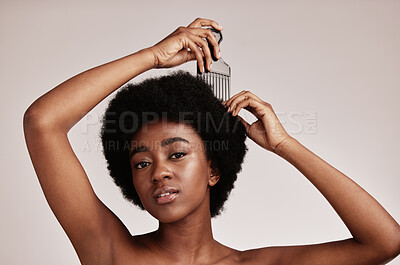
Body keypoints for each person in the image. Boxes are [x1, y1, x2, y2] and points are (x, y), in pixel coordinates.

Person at [23, 18, 400, 265]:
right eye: (141, 162)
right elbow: (43, 123)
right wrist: (152, 57)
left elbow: (384, 242)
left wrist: (285, 145)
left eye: (177, 153)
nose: (159, 173)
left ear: (213, 170)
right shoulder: (112, 254)